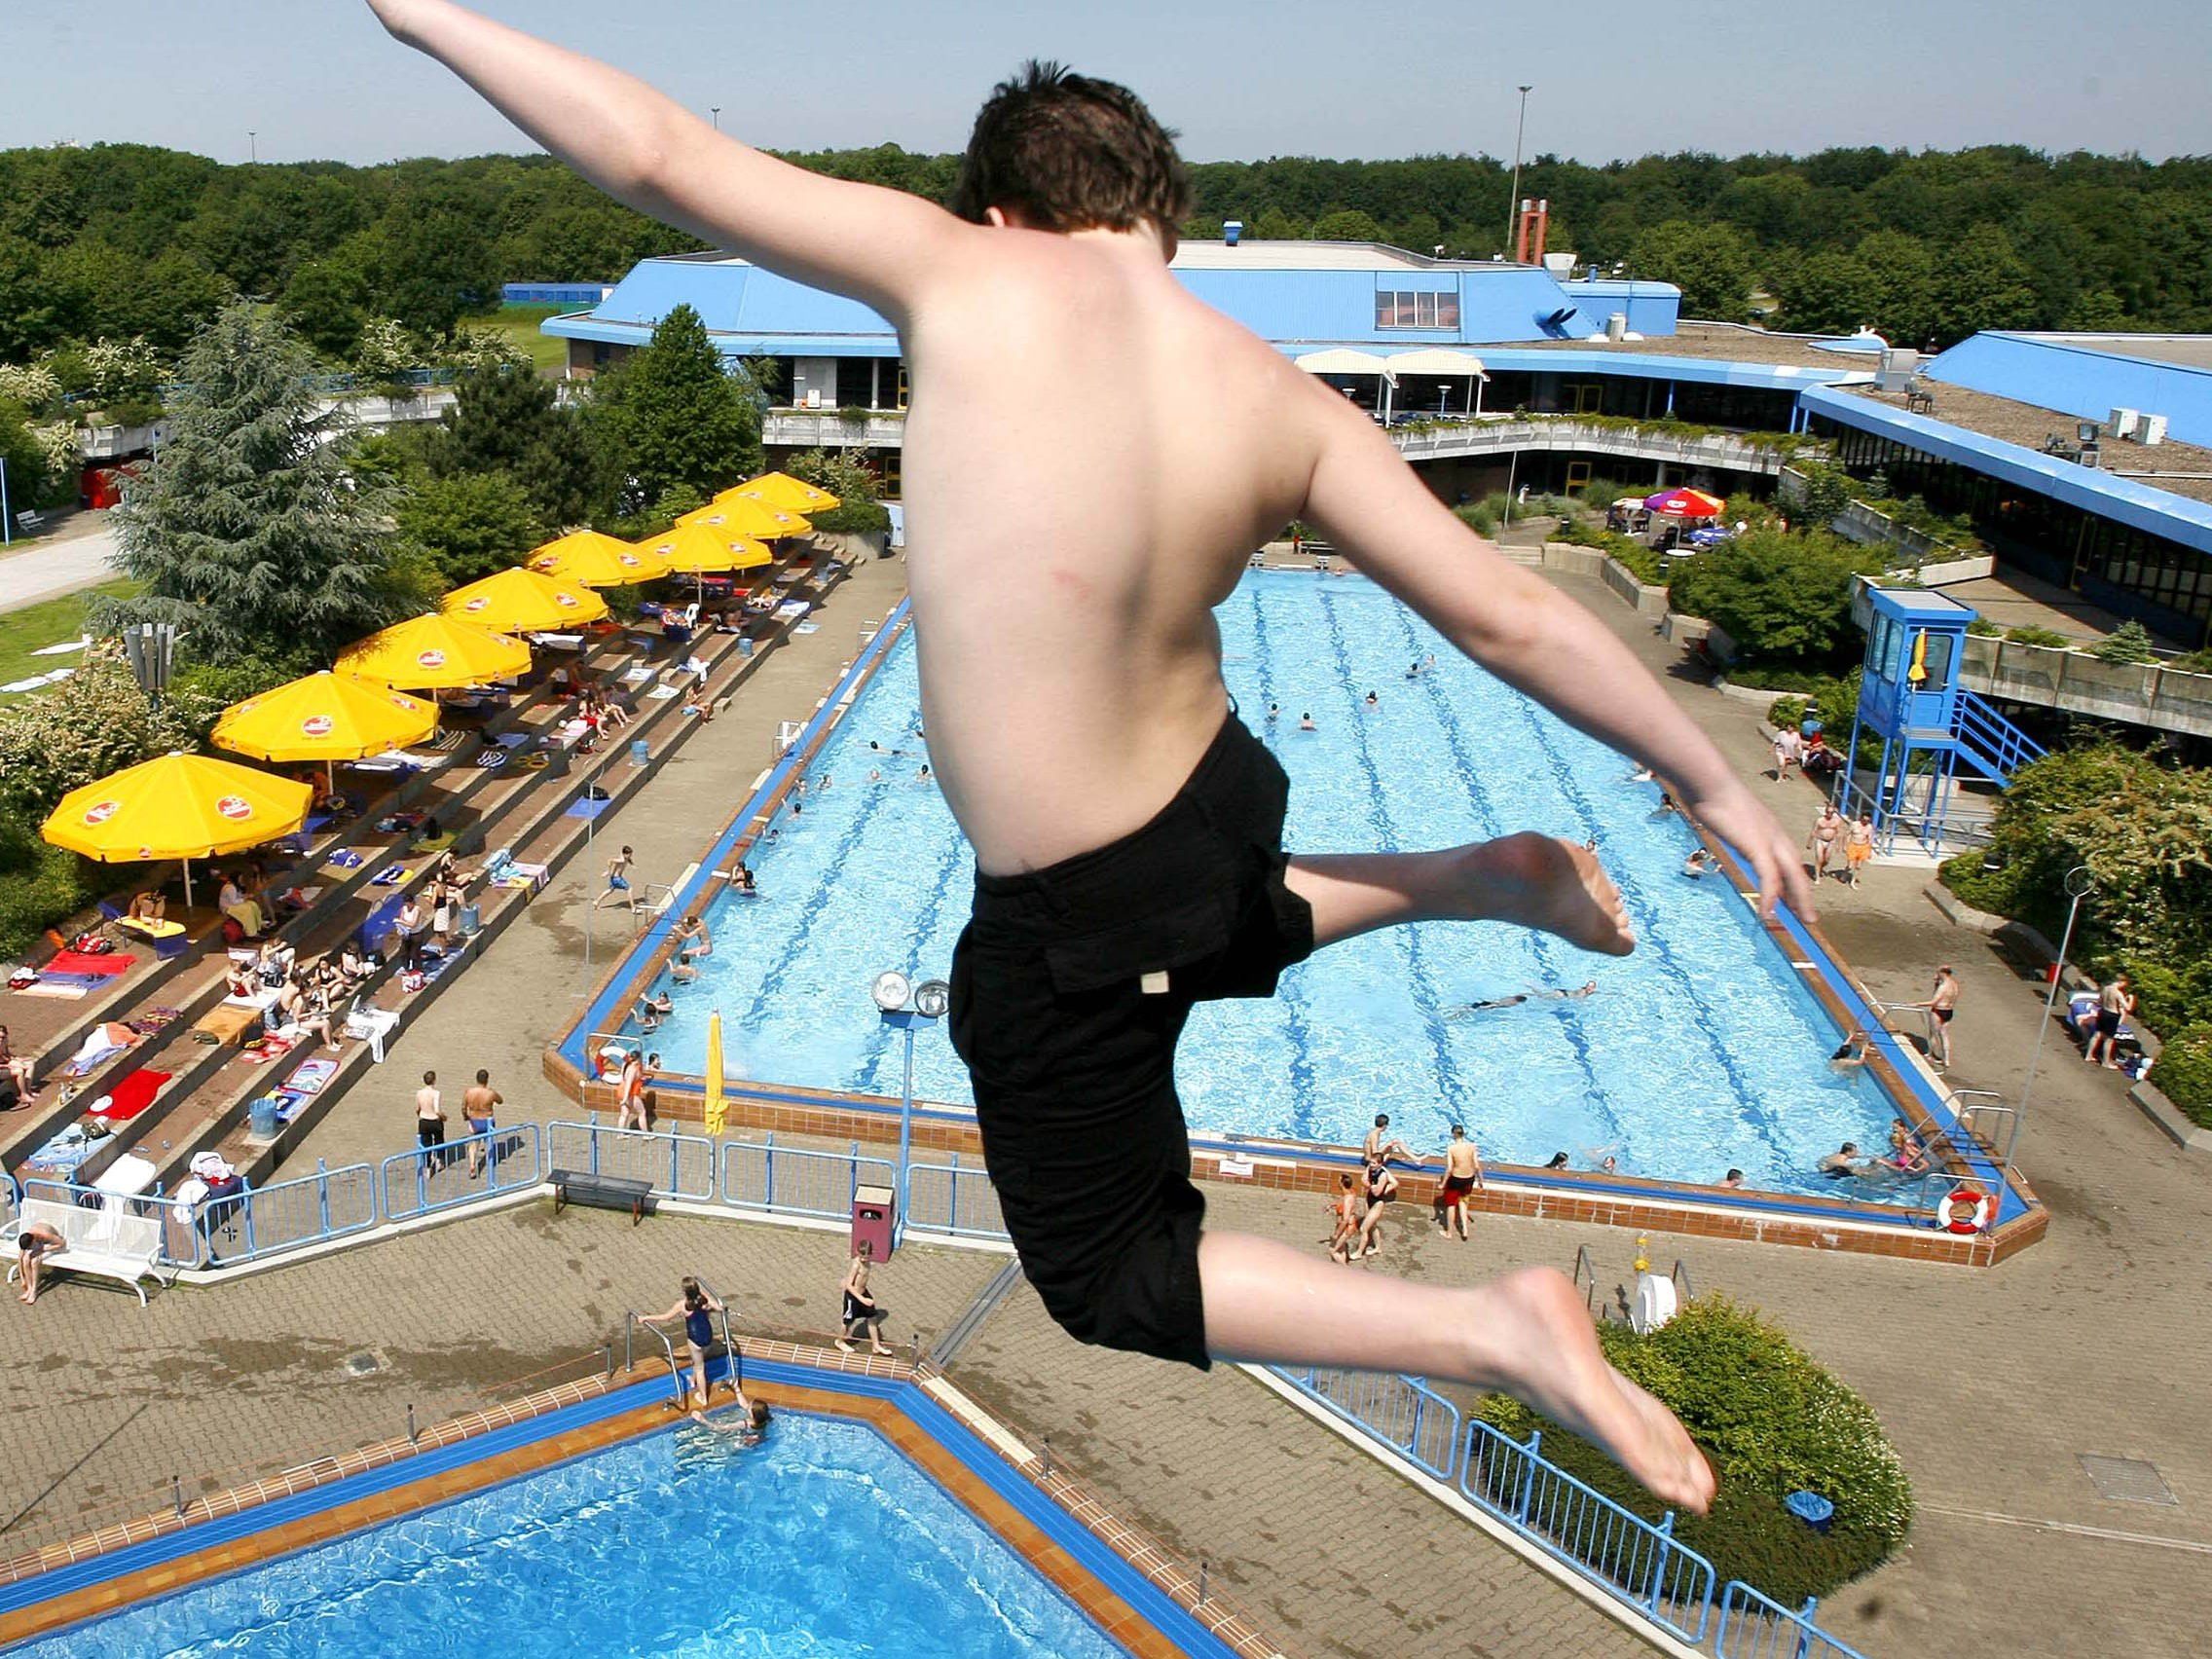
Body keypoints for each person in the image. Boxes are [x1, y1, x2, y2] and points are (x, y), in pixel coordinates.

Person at [367, 7, 1827, 1513]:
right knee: (1203, 921)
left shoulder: (958, 270)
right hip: (1207, 803)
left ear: (1000, 207)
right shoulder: (1284, 401)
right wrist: (1708, 775)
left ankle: (1490, 1326)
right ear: (1161, 220)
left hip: (1091, 886)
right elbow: (1510, 613)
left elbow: (656, 152)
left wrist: (427, 17)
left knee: (1112, 1271)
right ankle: (1483, 875)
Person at [650, 1276, 725, 1407]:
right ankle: (692, 1378)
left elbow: (665, 1317)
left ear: (685, 1291)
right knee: (698, 1362)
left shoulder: (682, 1305)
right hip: (707, 1337)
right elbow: (720, 1308)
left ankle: (703, 1397)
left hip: (695, 1339)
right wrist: (712, 1308)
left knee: (700, 1367)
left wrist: (645, 1317)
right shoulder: (704, 1298)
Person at [837, 1241, 893, 1356]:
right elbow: (849, 1285)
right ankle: (840, 1341)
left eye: (866, 1257)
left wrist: (864, 1297)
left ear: (871, 1254)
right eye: (861, 1257)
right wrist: (862, 1299)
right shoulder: (856, 1265)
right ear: (857, 1253)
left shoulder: (869, 1263)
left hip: (863, 1293)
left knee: (872, 1318)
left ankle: (876, 1345)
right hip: (853, 1296)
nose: (863, 1259)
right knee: (847, 1321)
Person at [1433, 1124, 1485, 1240]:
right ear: (1463, 1134)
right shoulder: (1472, 1146)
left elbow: (1450, 1168)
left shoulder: (1451, 1148)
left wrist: (1443, 1183)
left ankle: (1449, 1232)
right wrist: (1481, 1181)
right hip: (1469, 1178)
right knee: (1463, 1202)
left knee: (1451, 1205)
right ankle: (1465, 1230)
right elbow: (1476, 1165)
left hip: (1456, 1179)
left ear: (1453, 1134)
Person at [2085, 973, 2134, 1069]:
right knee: (2109, 1039)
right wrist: (2131, 999)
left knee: (2097, 1034)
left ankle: (2088, 1055)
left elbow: (2099, 1001)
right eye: (2125, 983)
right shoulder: (2117, 993)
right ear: (2121, 982)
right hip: (2112, 1015)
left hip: (2103, 1012)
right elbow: (2127, 1008)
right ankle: (2106, 1062)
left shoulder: (2106, 988)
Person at [15, 1219, 66, 1304]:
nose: (30, 1249)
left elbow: (62, 1244)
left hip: (53, 1245)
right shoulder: (27, 1237)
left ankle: (34, 1291)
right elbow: (20, 1257)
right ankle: (29, 1288)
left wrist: (43, 1249)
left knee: (35, 1261)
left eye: (30, 1247)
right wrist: (23, 1279)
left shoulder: (45, 1235)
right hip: (40, 1244)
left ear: (33, 1241)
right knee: (26, 1258)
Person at [462, 1068, 503, 1175]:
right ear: (487, 1080)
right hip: (487, 1121)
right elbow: (500, 1101)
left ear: (477, 1079)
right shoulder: (490, 1093)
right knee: (488, 1143)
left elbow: (463, 1107)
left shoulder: (469, 1092)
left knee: (473, 1145)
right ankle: (490, 1164)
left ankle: (472, 1165)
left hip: (474, 1120)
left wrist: (466, 1116)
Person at [1919, 966, 1961, 1069]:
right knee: (1944, 1035)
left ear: (1942, 973)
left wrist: (1917, 1004)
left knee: (1933, 1034)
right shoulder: (1955, 985)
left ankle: (1930, 1054)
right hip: (1949, 1011)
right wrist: (1936, 983)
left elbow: (1933, 1002)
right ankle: (1946, 1060)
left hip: (1938, 1010)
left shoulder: (1943, 987)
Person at [1357, 1158, 1398, 1258]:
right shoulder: (1370, 1168)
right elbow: (1363, 1180)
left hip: (1378, 1203)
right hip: (1369, 1200)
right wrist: (1371, 1185)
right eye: (1370, 1162)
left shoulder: (1383, 1174)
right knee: (1372, 1225)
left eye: (1374, 1163)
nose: (1371, 1165)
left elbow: (1377, 1192)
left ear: (1380, 1164)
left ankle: (1359, 1252)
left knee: (1363, 1228)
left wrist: (1386, 1188)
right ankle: (1378, 1248)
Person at [1325, 1173, 1362, 1265]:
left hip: (1346, 1228)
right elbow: (1341, 1202)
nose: (1337, 1182)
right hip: (1346, 1227)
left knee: (1332, 1251)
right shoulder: (1350, 1192)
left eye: (1339, 1180)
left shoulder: (1348, 1199)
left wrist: (1336, 1234)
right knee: (1342, 1248)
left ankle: (1345, 1271)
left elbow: (1345, 1220)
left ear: (1342, 1183)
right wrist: (1332, 1205)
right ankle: (1342, 1265)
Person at [616, 1051, 656, 1131]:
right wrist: (625, 1098)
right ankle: (646, 1135)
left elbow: (625, 1078)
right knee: (642, 1112)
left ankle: (620, 1134)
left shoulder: (626, 1065)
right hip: (630, 1093)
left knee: (624, 1114)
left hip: (621, 1090)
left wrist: (640, 1078)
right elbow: (629, 1084)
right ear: (638, 1059)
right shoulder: (633, 1069)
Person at [415, 1070, 447, 1166]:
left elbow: (417, 1108)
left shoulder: (419, 1093)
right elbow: (437, 1110)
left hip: (424, 1121)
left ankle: (428, 1165)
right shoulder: (436, 1093)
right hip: (435, 1121)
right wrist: (443, 1117)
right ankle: (439, 1161)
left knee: (426, 1143)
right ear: (434, 1080)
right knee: (439, 1141)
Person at [1807, 803, 1845, 882]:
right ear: (1825, 811)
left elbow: (1839, 833)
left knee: (1826, 860)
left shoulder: (1837, 821)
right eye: (1828, 812)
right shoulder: (1820, 820)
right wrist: (1809, 842)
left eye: (1831, 813)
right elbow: (1813, 831)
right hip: (1820, 840)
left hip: (1831, 841)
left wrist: (1839, 845)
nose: (1829, 814)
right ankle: (1817, 877)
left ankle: (1820, 868)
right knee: (1819, 859)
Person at [0, 1025, 37, 1101]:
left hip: (5, 1063)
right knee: (19, 1071)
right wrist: (8, 1066)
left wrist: (19, 1059)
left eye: (3, 1037)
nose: (1, 1040)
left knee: (30, 1064)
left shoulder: (4, 1043)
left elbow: (7, 1054)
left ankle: (28, 1090)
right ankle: (23, 1094)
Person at [598, 846, 637, 912]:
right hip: (617, 878)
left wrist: (632, 864)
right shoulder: (621, 860)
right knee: (629, 889)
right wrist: (608, 871)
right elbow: (610, 860)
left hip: (615, 878)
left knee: (610, 890)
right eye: (629, 855)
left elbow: (628, 859)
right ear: (625, 854)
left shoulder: (625, 857)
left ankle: (596, 901)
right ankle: (633, 908)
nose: (630, 856)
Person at [1844, 813, 1874, 888]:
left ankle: (1852, 882)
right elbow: (1847, 834)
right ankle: (1845, 873)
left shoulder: (1869, 827)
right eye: (1863, 820)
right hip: (1853, 845)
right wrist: (1845, 845)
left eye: (1867, 821)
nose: (1865, 822)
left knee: (1858, 866)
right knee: (1850, 866)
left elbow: (1870, 839)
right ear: (1861, 819)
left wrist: (1870, 851)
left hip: (1863, 847)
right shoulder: (1854, 824)